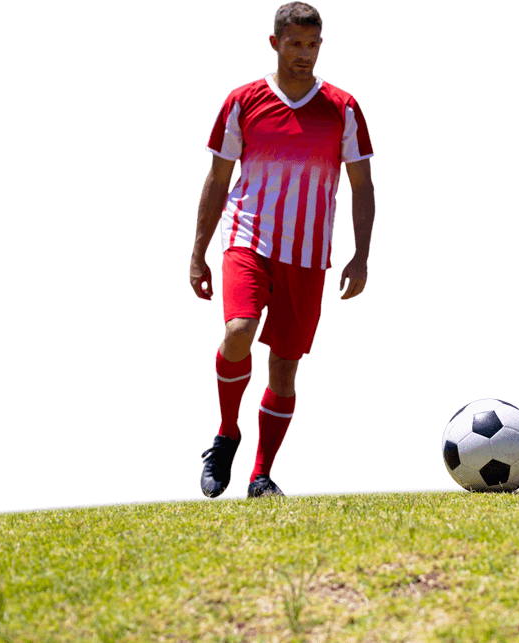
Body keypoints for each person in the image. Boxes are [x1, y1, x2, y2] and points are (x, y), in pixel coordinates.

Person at [188, 1, 375, 499]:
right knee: (240, 329)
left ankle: (261, 474)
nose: (305, 54)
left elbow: (362, 184)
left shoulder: (343, 107)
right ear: (275, 43)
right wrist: (198, 252)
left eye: (313, 45)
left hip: (309, 253)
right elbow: (218, 178)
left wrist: (361, 255)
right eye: (295, 43)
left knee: (287, 365)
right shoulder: (242, 101)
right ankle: (227, 434)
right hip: (248, 238)